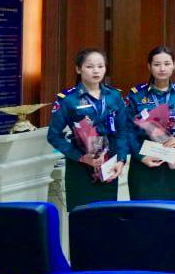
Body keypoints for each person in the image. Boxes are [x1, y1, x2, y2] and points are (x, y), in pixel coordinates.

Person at [47, 48, 127, 211]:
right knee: (81, 216)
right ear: (78, 69)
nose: (96, 71)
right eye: (90, 66)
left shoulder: (114, 96)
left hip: (108, 164)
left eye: (100, 66)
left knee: (107, 215)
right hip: (80, 167)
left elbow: (122, 132)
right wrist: (81, 157)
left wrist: (121, 160)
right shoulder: (68, 99)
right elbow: (54, 136)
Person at [122, 46, 175, 201]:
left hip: (174, 161)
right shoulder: (136, 95)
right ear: (149, 66)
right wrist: (141, 156)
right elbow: (127, 130)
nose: (162, 68)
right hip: (144, 162)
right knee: (144, 210)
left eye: (167, 63)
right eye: (157, 64)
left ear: (174, 65)